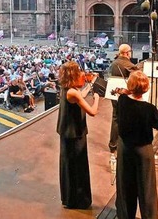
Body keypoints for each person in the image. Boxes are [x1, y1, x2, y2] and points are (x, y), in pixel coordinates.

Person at [115, 71, 158, 219]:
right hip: (143, 151)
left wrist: (125, 91)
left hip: (125, 148)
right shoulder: (149, 108)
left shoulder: (123, 101)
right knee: (146, 188)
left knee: (125, 185)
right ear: (146, 88)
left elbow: (124, 95)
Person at [56, 60, 100, 209]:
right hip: (75, 134)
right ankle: (79, 200)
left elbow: (80, 94)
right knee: (78, 168)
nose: (82, 73)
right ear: (73, 74)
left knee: (69, 167)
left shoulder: (66, 88)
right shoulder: (73, 92)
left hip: (67, 133)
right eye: (79, 72)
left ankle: (69, 198)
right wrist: (97, 100)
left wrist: (89, 84)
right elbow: (92, 112)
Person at [108, 44, 139, 159]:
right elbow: (137, 78)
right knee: (127, 118)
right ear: (126, 53)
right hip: (124, 95)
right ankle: (125, 143)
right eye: (130, 51)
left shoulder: (114, 62)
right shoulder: (128, 64)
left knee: (115, 117)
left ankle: (113, 144)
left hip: (114, 94)